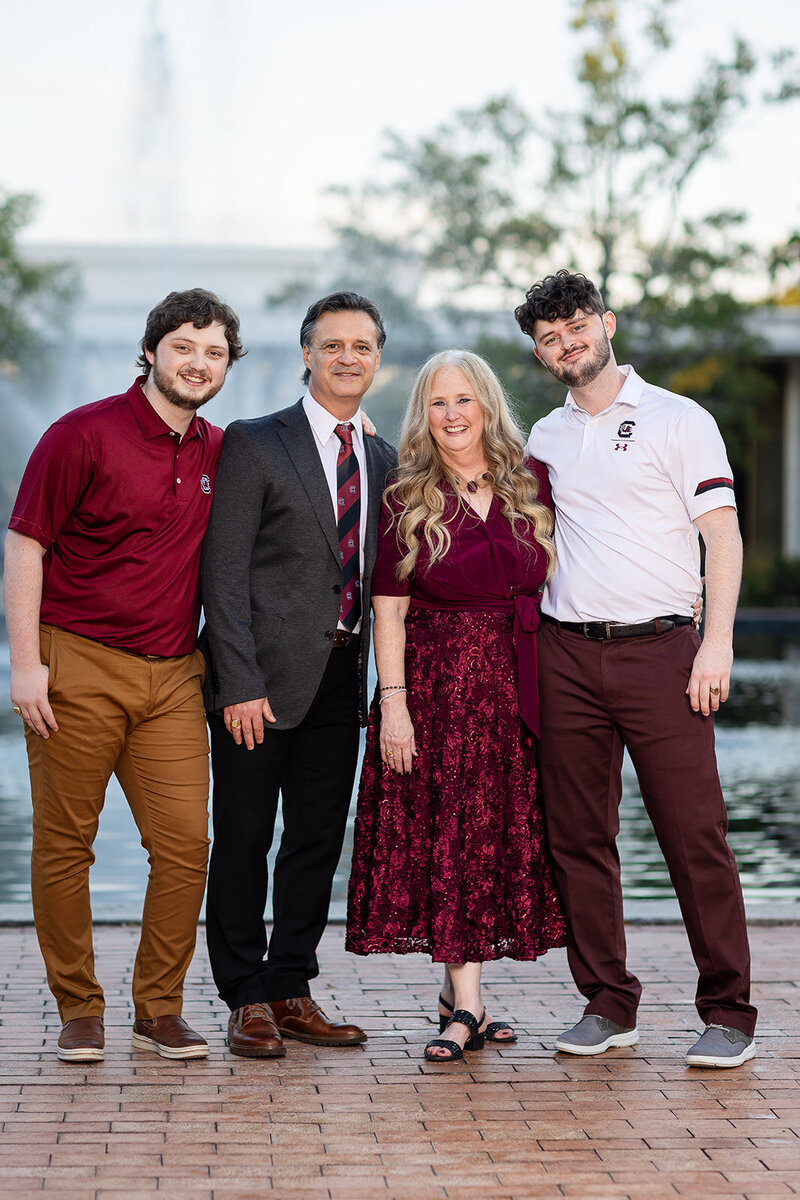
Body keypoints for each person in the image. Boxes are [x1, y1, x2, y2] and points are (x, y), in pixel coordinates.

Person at [514, 269, 757, 1069]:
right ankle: (608, 1001)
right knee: (578, 836)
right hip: (566, 653)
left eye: (575, 326)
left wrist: (714, 642)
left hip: (663, 653)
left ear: (606, 323)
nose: (564, 343)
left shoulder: (677, 418)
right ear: (542, 355)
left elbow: (721, 534)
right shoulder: (542, 439)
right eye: (548, 338)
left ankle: (727, 1012)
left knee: (695, 835)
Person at [4, 288, 244, 1062]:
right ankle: (79, 1007)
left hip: (175, 675)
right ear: (151, 351)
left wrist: (355, 434)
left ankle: (158, 1008)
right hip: (76, 664)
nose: (198, 363)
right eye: (184, 347)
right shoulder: (81, 435)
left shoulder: (219, 450)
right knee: (65, 845)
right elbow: (25, 547)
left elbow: (296, 467)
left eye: (213, 353)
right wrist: (27, 666)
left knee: (184, 847)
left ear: (227, 365)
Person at [345, 349, 567, 1062]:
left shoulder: (532, 482)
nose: (452, 414)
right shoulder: (403, 496)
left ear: (487, 405)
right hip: (437, 687)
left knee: (488, 836)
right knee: (449, 837)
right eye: (438, 402)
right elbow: (386, 614)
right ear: (424, 413)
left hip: (519, 682)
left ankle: (456, 994)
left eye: (464, 399)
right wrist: (396, 705)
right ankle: (466, 1007)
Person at [200, 291, 397, 1058]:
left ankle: (291, 988)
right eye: (333, 344)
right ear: (307, 353)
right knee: (245, 837)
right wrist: (238, 682)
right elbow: (224, 574)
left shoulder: (380, 457)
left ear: (377, 358)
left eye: (363, 346)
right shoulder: (255, 441)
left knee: (316, 840)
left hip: (341, 679)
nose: (349, 357)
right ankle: (244, 995)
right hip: (258, 683)